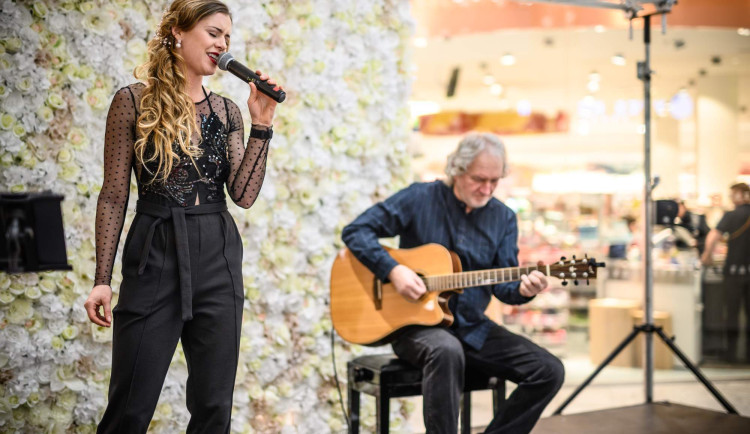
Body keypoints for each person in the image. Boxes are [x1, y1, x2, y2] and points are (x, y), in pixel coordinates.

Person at [83, 1, 282, 432]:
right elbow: (115, 194)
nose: (222, 44)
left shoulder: (227, 111)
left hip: (218, 253)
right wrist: (102, 279)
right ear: (178, 31)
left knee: (214, 410)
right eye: (214, 33)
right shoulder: (131, 101)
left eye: (227, 37)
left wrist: (261, 124)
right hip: (154, 248)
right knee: (130, 409)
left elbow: (243, 195)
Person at [341, 133, 564, 434]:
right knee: (446, 350)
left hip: (472, 327)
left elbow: (504, 285)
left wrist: (524, 290)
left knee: (549, 371)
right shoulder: (420, 198)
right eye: (479, 179)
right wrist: (393, 270)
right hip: (414, 329)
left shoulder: (504, 218)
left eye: (494, 181)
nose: (487, 189)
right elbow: (356, 231)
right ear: (456, 170)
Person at [702, 183, 750, 363]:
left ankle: (731, 355)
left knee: (732, 314)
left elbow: (714, 235)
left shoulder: (732, 215)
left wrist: (707, 254)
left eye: (732, 195)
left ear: (740, 195)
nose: (731, 198)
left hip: (734, 272)